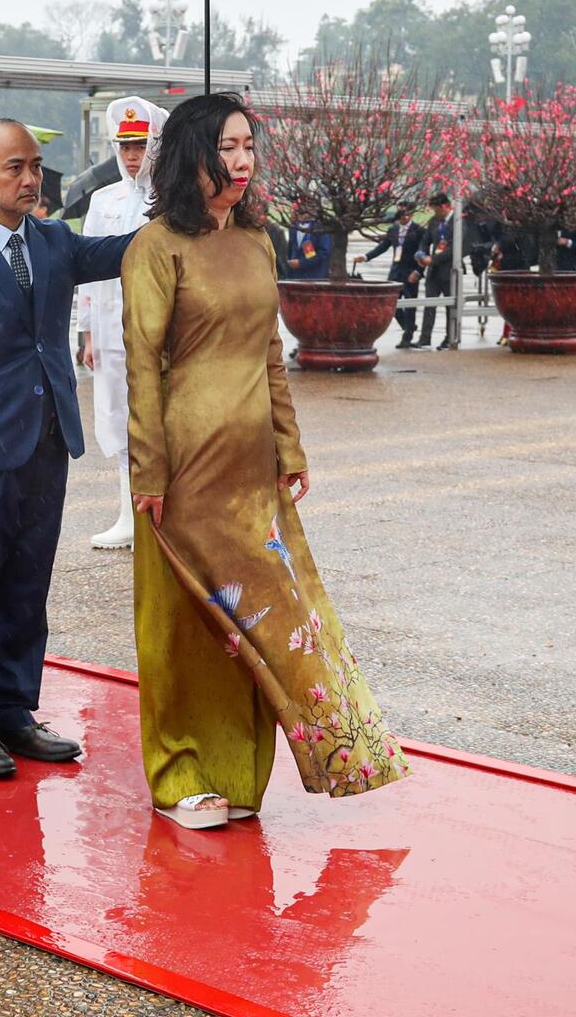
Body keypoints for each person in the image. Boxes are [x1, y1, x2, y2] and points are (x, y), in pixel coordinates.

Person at [124, 93, 408, 830]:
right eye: (228, 146)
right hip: (183, 472)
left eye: (249, 145)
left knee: (264, 623)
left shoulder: (256, 242)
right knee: (184, 628)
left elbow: (270, 358)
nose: (244, 160)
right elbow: (142, 366)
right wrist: (147, 472)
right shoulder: (154, 248)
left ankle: (239, 775)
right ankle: (179, 774)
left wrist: (290, 446)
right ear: (194, 155)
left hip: (252, 471)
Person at [0, 118, 133, 779]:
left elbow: (122, 252)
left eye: (36, 167)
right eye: (14, 167)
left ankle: (16, 711)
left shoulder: (53, 243)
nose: (30, 179)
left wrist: (191, 214)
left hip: (46, 442)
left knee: (28, 584)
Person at [78, 96, 165, 551]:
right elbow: (87, 275)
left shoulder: (168, 198)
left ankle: (160, 519)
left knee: (156, 421)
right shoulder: (102, 199)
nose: (132, 154)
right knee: (116, 421)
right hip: (112, 333)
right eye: (125, 145)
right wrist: (88, 333)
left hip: (154, 333)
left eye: (139, 144)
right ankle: (127, 515)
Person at [357, 202, 427, 349]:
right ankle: (408, 326)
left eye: (406, 214)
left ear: (412, 214)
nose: (403, 217)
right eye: (400, 214)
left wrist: (419, 272)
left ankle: (407, 337)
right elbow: (383, 247)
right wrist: (366, 257)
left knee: (410, 304)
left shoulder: (419, 230)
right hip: (395, 271)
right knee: (391, 304)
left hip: (410, 271)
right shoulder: (393, 230)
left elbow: (423, 250)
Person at [417, 193, 458, 349]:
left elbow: (454, 249)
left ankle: (450, 337)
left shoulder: (458, 222)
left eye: (435, 210)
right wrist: (421, 253)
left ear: (443, 207)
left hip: (449, 270)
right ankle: (424, 338)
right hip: (433, 271)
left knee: (450, 306)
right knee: (429, 303)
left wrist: (433, 259)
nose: (435, 213)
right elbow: (425, 241)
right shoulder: (434, 221)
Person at [280, 198, 332, 281]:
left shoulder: (321, 228)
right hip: (295, 277)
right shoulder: (293, 227)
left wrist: (301, 263)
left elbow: (324, 254)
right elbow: (291, 249)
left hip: (315, 278)